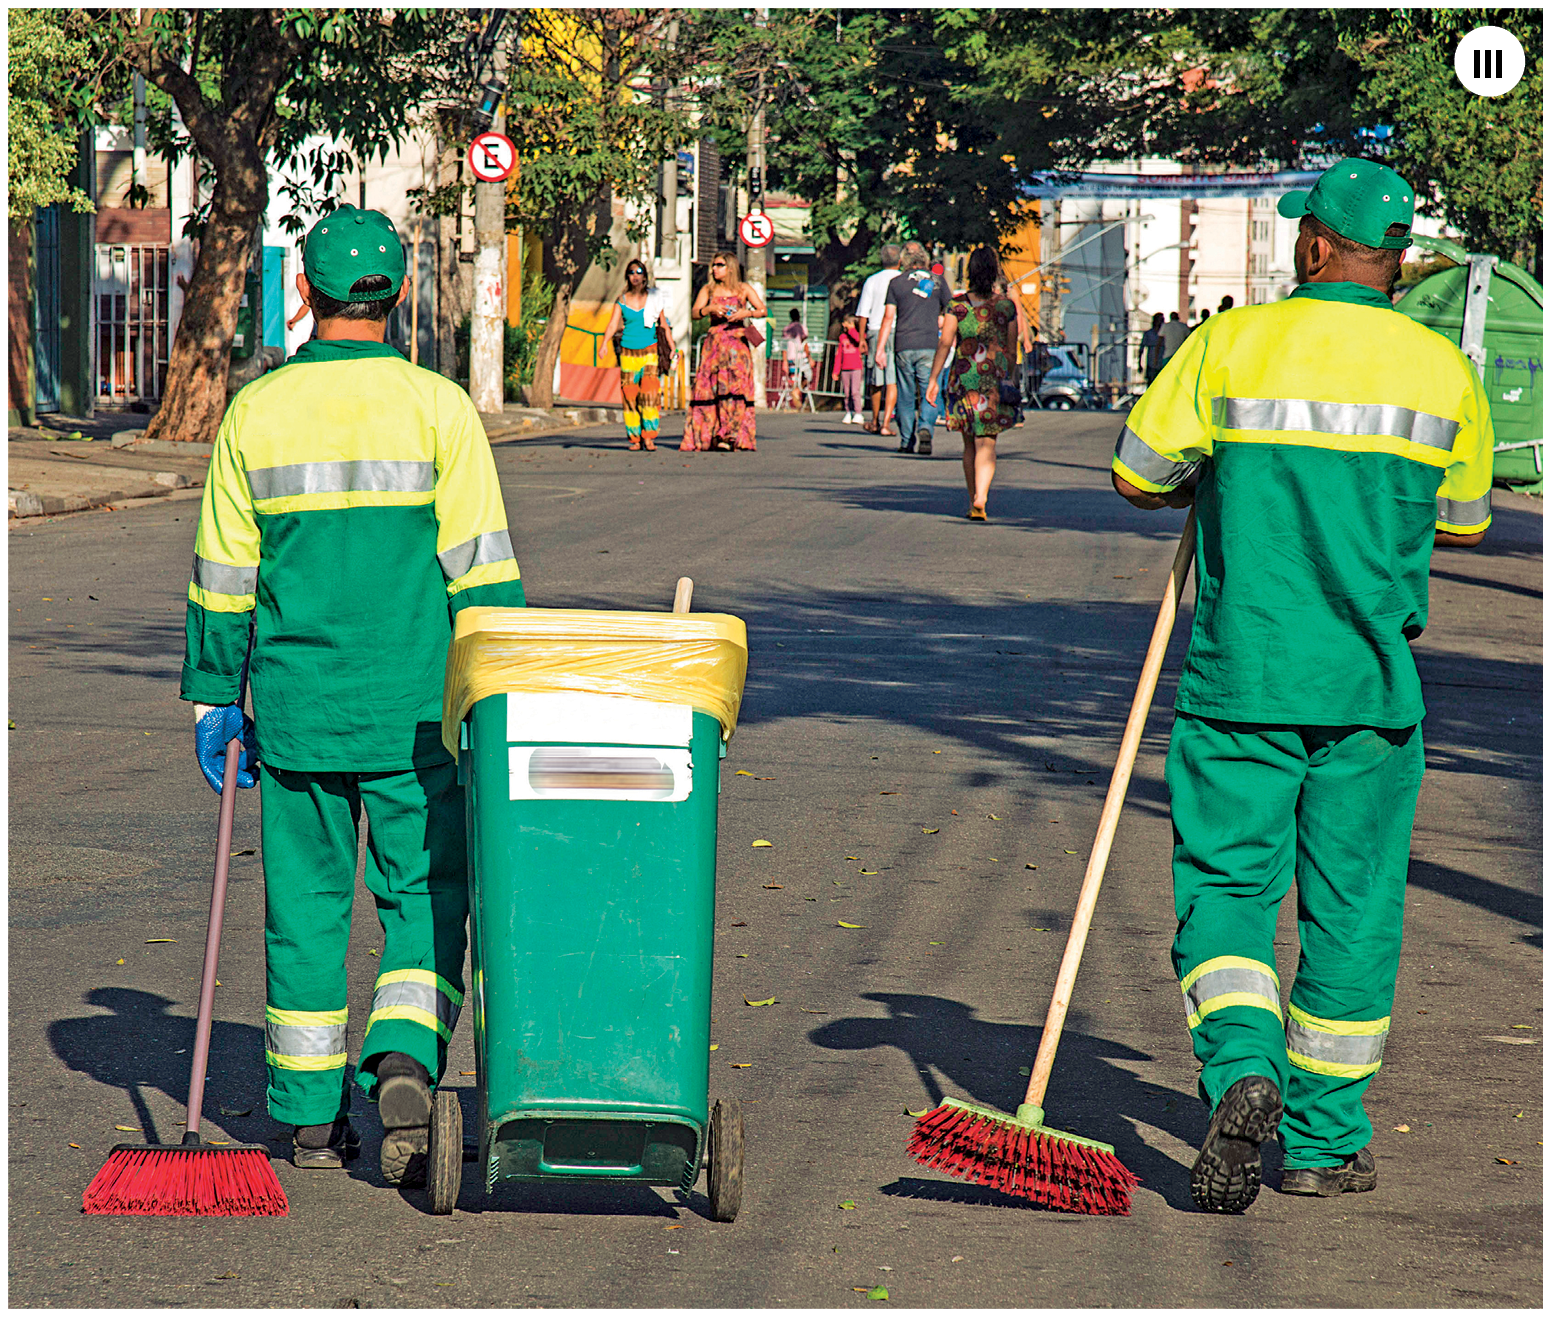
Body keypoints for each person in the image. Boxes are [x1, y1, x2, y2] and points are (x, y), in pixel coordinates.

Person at [1110, 158, 1493, 1214]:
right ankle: (1324, 1144)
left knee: (1228, 890)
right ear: (1399, 260)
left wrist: (1216, 470)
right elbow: (1462, 522)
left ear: (1316, 245)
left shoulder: (1230, 346)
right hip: (1372, 688)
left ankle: (1242, 1069)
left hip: (1246, 677)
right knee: (1354, 913)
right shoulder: (1442, 371)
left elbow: (1138, 473)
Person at [180, 206, 526, 1186]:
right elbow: (484, 578)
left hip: (294, 713)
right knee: (423, 897)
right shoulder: (441, 409)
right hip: (420, 714)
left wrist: (215, 694)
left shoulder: (258, 413)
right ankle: (407, 1058)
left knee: (305, 909)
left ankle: (306, 1117)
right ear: (401, 295)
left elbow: (222, 576)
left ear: (306, 293)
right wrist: (502, 696)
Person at [925, 246, 1018, 521]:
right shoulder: (1006, 306)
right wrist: (1009, 376)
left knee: (969, 445)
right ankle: (981, 497)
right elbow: (1012, 349)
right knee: (987, 443)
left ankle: (973, 500)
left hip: (963, 378)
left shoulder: (957, 305)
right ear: (994, 272)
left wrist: (933, 379)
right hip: (993, 380)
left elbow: (945, 342)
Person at [876, 240, 950, 455]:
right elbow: (951, 310)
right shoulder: (937, 281)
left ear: (904, 261)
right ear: (925, 259)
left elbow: (889, 317)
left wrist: (880, 349)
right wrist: (942, 323)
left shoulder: (897, 282)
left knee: (906, 394)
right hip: (929, 344)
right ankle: (926, 426)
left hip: (903, 345)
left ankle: (907, 441)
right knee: (929, 389)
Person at [684, 251, 763, 452]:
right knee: (710, 388)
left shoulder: (743, 289)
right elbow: (694, 313)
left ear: (730, 268)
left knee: (735, 390)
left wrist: (747, 312)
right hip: (714, 345)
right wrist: (709, 309)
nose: (714, 269)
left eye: (719, 265)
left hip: (737, 345)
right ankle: (708, 435)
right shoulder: (708, 289)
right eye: (713, 265)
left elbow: (762, 310)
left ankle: (730, 435)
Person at [602, 258, 671, 451]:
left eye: (639, 272)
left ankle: (649, 436)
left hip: (650, 351)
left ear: (645, 276)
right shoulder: (621, 300)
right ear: (627, 276)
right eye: (631, 272)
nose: (635, 276)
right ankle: (634, 438)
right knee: (630, 396)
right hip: (628, 353)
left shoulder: (654, 299)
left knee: (649, 395)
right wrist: (604, 344)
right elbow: (613, 324)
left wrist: (672, 347)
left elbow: (663, 324)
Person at [855, 244, 901, 437]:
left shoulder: (872, 280)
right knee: (893, 380)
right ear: (900, 260)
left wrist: (861, 338)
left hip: (874, 330)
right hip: (898, 331)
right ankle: (886, 423)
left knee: (876, 378)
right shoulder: (903, 279)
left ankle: (874, 419)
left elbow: (863, 313)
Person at [781, 308, 815, 410]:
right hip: (799, 357)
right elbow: (805, 344)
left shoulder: (787, 329)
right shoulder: (799, 328)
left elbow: (784, 347)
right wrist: (809, 357)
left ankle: (797, 391)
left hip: (791, 357)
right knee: (807, 376)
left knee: (800, 376)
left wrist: (785, 360)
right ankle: (796, 390)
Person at [837, 314, 866, 422]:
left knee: (855, 391)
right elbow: (839, 354)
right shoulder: (842, 338)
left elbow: (859, 340)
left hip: (856, 367)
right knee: (847, 392)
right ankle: (848, 411)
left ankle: (858, 412)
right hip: (845, 368)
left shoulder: (858, 335)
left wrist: (852, 330)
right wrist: (836, 370)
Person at [1141, 311, 1166, 383]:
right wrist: (1140, 363)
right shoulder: (1149, 333)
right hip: (1151, 364)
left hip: (1163, 363)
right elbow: (1142, 348)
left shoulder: (1166, 334)